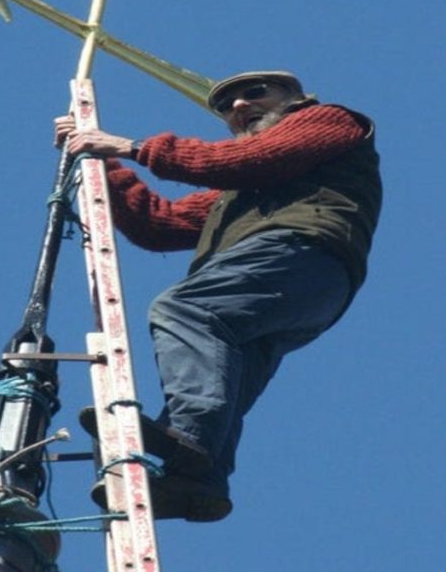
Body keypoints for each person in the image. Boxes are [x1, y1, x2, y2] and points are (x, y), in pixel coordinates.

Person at [54, 71, 382, 522]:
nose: (239, 106)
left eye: (255, 93)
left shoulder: (328, 120)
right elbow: (160, 224)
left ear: (296, 97)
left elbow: (253, 159)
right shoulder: (245, 190)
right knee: (231, 365)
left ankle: (188, 433)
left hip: (301, 253)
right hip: (304, 284)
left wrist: (132, 147)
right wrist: (100, 161)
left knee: (186, 309)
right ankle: (196, 479)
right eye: (227, 106)